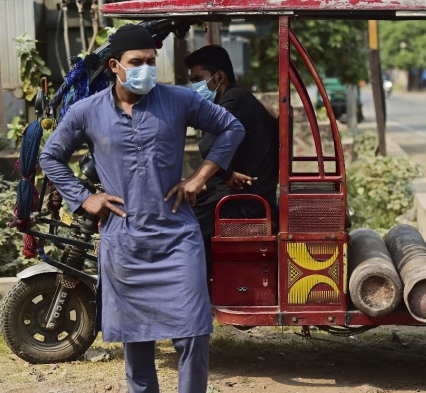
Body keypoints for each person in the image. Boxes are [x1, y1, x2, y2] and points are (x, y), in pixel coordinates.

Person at [39, 24, 245, 393]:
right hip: (125, 241)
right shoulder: (87, 111)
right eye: (137, 62)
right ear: (115, 65)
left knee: (193, 334)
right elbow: (51, 155)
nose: (146, 69)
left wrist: (200, 176)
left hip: (177, 237)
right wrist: (85, 198)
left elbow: (231, 127)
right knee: (137, 340)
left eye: (152, 61)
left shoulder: (179, 100)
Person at [184, 45, 279, 272]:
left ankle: (192, 289)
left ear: (220, 76)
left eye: (199, 79)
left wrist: (226, 175)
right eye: (192, 81)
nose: (195, 86)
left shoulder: (234, 100)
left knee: (180, 226)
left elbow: (207, 145)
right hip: (241, 195)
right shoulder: (239, 99)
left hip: (245, 202)